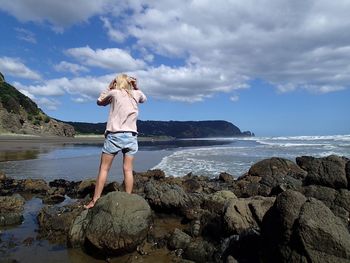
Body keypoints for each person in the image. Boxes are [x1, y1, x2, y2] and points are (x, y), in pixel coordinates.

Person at [84, 73, 147, 209]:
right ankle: (128, 199)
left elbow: (100, 101)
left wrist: (109, 86)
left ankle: (95, 200)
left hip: (115, 135)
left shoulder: (114, 93)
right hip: (131, 136)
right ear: (130, 83)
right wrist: (136, 87)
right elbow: (144, 98)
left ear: (117, 82)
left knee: (104, 169)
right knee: (128, 170)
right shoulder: (136, 94)